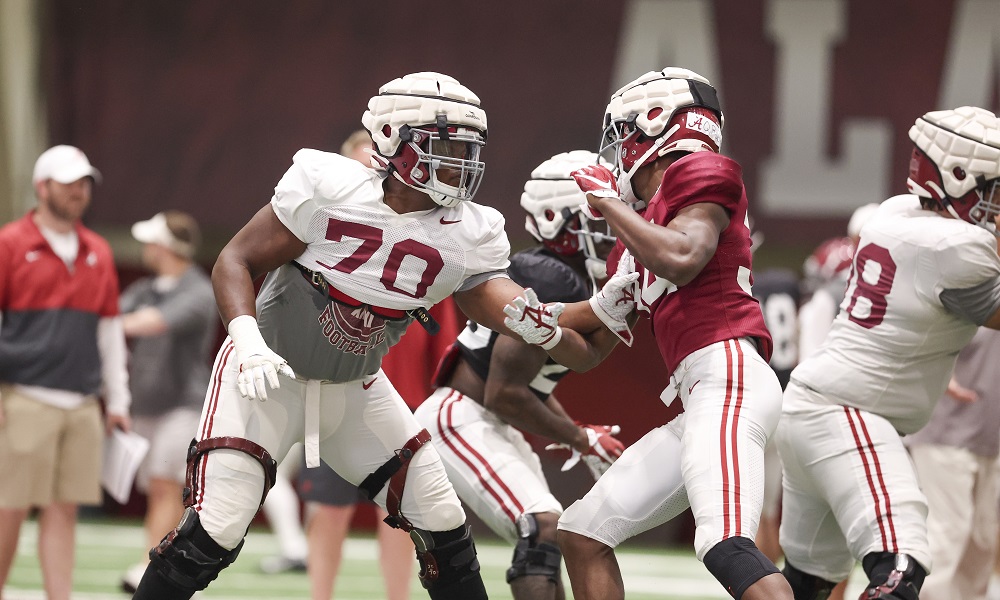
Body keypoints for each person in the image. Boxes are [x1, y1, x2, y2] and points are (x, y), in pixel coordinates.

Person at [131, 71, 553, 600]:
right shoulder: (332, 185)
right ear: (391, 137)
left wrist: (566, 316)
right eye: (443, 144)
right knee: (213, 529)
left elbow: (494, 298)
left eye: (466, 148)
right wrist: (247, 340)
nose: (457, 161)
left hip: (357, 388)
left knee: (442, 518)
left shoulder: (470, 227)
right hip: (268, 373)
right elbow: (235, 258)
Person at [502, 67, 793, 600]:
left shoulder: (698, 173)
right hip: (703, 394)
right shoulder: (644, 231)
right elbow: (591, 337)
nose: (618, 155)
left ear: (657, 127)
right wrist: (518, 313)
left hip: (728, 378)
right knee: (582, 532)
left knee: (726, 544)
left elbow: (683, 258)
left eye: (625, 135)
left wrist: (608, 205)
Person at [773, 105, 1000, 600]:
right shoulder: (960, 248)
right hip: (849, 413)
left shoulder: (894, 212)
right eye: (994, 189)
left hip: (810, 412)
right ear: (958, 177)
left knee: (806, 583)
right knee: (901, 568)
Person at [414, 150, 626, 600]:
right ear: (555, 219)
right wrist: (580, 438)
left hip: (483, 416)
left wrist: (577, 432)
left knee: (554, 531)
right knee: (541, 525)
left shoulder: (568, 279)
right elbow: (504, 392)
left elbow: (522, 386)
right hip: (463, 415)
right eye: (595, 214)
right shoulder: (550, 277)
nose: (609, 227)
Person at [296, 129, 458, 600]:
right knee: (328, 511)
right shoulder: (319, 240)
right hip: (332, 396)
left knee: (400, 517)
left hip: (400, 404)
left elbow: (442, 345)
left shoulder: (424, 244)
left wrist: (431, 409)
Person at [0, 145, 131, 600]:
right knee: (7, 510)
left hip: (81, 404)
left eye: (84, 182)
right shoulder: (10, 244)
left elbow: (109, 330)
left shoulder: (97, 250)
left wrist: (117, 401)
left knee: (64, 511)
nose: (79, 191)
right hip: (23, 398)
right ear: (42, 187)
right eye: (69, 182)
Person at [118, 211, 217, 594]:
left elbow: (153, 322)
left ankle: (148, 566)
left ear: (165, 247)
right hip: (146, 403)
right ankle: (158, 560)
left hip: (184, 403)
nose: (145, 249)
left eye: (151, 242)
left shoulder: (197, 289)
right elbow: (118, 311)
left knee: (165, 485)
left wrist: (104, 321)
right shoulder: (145, 287)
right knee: (156, 489)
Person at [904, 327, 1000, 600]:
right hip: (944, 436)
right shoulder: (962, 289)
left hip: (988, 439)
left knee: (979, 549)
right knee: (945, 545)